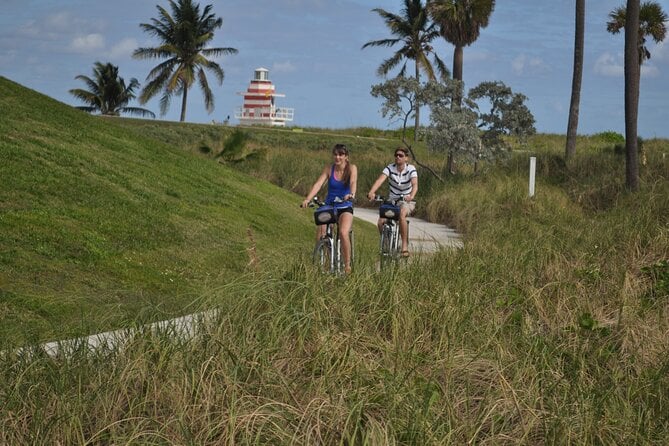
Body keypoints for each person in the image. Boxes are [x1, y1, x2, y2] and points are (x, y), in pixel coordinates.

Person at [301, 144, 358, 273]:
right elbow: (319, 184)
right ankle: (324, 261)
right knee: (321, 230)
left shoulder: (352, 168)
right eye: (335, 154)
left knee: (343, 232)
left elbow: (353, 182)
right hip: (330, 205)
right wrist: (308, 199)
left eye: (341, 154)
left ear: (346, 157)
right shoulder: (329, 168)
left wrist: (351, 195)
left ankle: (347, 265)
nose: (337, 157)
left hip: (345, 205)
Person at [366, 147, 418, 257]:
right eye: (396, 155)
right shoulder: (390, 168)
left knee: (402, 215)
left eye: (401, 155)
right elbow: (380, 180)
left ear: (406, 158)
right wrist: (372, 192)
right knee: (381, 222)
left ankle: (404, 246)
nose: (398, 157)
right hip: (392, 200)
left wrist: (411, 196)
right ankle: (386, 243)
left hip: (406, 201)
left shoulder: (411, 169)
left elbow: (415, 184)